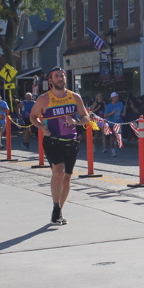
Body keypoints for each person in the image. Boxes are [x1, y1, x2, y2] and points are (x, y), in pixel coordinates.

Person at [29, 67, 92, 225]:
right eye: (57, 76)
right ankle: (56, 207)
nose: (60, 78)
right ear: (51, 80)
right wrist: (41, 127)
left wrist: (76, 122)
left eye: (62, 76)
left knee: (67, 177)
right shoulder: (44, 98)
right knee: (59, 172)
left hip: (71, 141)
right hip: (53, 141)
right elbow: (33, 117)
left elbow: (86, 117)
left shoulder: (75, 97)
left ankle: (58, 210)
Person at [102, 92, 124, 156]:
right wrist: (111, 113)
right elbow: (105, 115)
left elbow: (122, 111)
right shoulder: (109, 106)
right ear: (112, 98)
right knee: (112, 138)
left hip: (119, 123)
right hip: (111, 124)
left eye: (117, 97)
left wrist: (123, 113)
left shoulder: (121, 104)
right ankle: (113, 151)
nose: (117, 98)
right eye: (115, 97)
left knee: (118, 137)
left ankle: (115, 144)